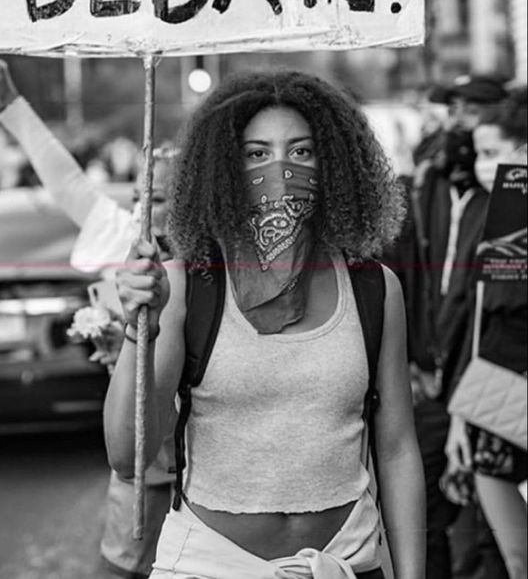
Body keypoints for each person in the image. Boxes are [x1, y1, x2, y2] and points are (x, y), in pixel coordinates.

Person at [105, 69, 425, 579]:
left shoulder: (374, 288)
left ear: (337, 165)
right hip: (211, 566)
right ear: (224, 171)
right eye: (256, 154)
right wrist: (138, 329)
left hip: (348, 562)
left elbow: (398, 448)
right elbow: (129, 458)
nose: (280, 170)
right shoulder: (185, 287)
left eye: (302, 152)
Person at [0, 56, 176, 579]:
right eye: (137, 194)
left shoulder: (214, 256)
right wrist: (10, 103)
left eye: (163, 196)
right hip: (137, 454)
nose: (144, 206)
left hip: (208, 458)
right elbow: (63, 179)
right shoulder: (116, 230)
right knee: (121, 564)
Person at [395, 74, 509, 579]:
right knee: (428, 512)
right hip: (434, 378)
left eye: (472, 111)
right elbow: (418, 281)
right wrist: (417, 357)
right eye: (453, 110)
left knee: (494, 529)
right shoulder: (430, 183)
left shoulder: (510, 200)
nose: (458, 124)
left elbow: (497, 310)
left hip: (492, 379)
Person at [445, 86, 527, 579]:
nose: (488, 166)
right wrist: (463, 417)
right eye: (483, 154)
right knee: (517, 560)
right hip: (496, 405)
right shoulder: (503, 222)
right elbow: (483, 324)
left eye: (497, 153)